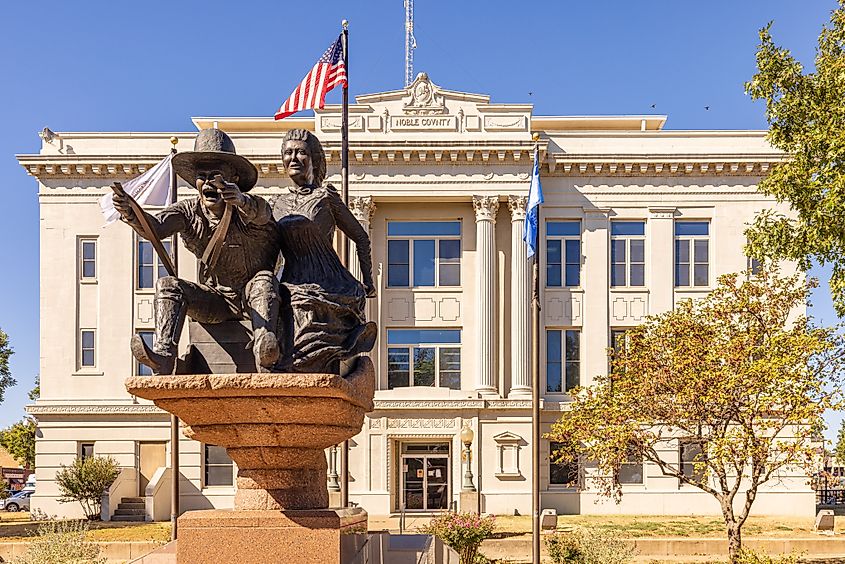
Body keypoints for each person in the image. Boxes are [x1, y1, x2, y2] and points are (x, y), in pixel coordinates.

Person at [113, 128, 280, 374]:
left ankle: (264, 349)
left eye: (217, 175)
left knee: (264, 282)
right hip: (215, 301)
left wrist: (241, 201)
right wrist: (131, 212)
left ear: (233, 178)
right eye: (202, 176)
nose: (209, 182)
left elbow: (263, 214)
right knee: (168, 285)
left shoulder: (250, 208)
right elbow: (156, 228)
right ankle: (164, 355)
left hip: (252, 298)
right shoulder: (187, 211)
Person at [273, 128, 376, 373]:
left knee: (303, 316)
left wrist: (368, 280)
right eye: (288, 152)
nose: (294, 158)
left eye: (301, 152)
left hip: (327, 282)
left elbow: (361, 238)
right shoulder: (275, 203)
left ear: (315, 159)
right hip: (290, 281)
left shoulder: (326, 197)